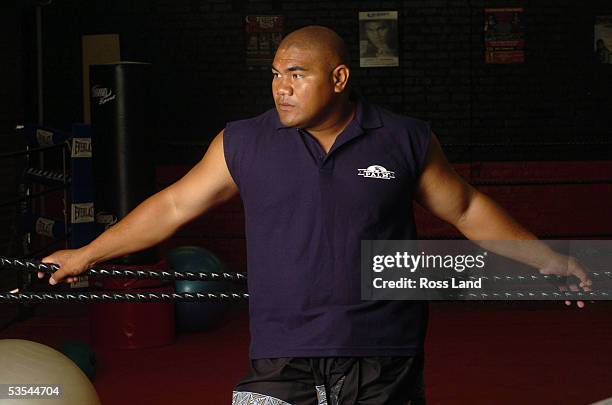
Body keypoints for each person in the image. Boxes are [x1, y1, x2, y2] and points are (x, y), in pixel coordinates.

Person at [39, 26, 591, 404]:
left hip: (381, 352)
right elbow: (174, 205)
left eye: (298, 74)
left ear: (339, 79)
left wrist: (546, 259)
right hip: (282, 352)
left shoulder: (403, 138)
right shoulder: (243, 142)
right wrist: (87, 254)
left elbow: (467, 209)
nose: (281, 87)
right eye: (276, 73)